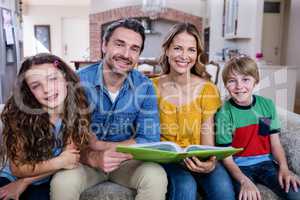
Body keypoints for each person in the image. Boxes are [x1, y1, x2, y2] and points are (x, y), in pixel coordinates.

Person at [50, 18, 167, 200]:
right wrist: (93, 156)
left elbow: (149, 138)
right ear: (104, 45)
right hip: (85, 163)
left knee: (156, 176)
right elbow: (67, 136)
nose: (126, 54)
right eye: (120, 44)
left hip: (127, 162)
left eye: (134, 49)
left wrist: (100, 146)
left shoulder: (145, 87)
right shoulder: (78, 82)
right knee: (62, 182)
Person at [152, 22, 235, 200]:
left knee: (224, 192)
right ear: (167, 50)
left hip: (199, 157)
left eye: (191, 50)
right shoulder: (151, 87)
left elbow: (207, 135)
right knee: (185, 185)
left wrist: (211, 162)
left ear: (197, 55)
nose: (184, 56)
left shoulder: (207, 89)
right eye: (178, 48)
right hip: (166, 160)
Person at [0, 53, 90, 200]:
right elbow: (17, 169)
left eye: (52, 79)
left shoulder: (77, 112)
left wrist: (25, 182)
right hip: (11, 178)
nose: (47, 89)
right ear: (28, 91)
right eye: (36, 86)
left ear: (65, 78)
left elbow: (69, 160)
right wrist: (59, 161)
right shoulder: (21, 117)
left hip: (43, 180)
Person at [215, 56, 300, 200]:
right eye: (232, 81)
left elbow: (275, 143)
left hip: (266, 164)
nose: (239, 86)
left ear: (256, 80)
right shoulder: (223, 113)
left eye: (245, 79)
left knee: (296, 194)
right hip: (239, 167)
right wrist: (244, 181)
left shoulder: (267, 105)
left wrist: (284, 168)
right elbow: (227, 159)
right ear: (225, 85)